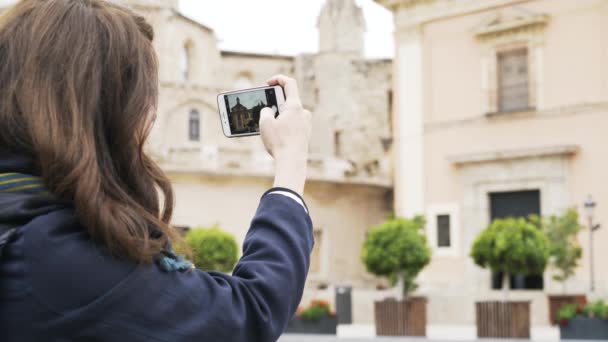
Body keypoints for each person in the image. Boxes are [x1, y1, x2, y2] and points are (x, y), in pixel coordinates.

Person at [0, 1, 313, 341]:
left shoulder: (22, 211)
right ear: (106, 111)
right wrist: (290, 166)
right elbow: (250, 314)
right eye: (143, 99)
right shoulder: (58, 259)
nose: (150, 118)